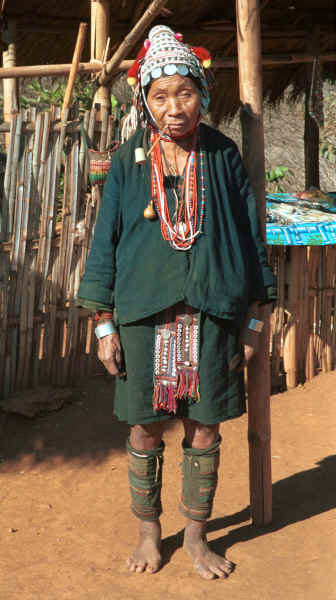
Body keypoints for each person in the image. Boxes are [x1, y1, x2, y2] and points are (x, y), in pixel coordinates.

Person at [78, 25, 276, 580]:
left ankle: (195, 537)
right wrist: (103, 324)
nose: (173, 108)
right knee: (144, 429)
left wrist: (258, 314)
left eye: (184, 92)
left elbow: (249, 234)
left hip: (213, 309)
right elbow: (105, 242)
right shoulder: (126, 161)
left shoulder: (222, 154)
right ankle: (149, 532)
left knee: (206, 428)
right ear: (145, 98)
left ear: (202, 94)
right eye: (160, 95)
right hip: (143, 313)